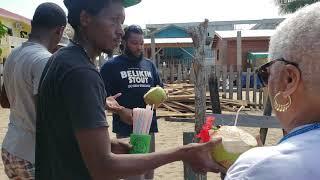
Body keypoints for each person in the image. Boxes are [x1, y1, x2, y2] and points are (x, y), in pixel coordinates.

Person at [35, 0, 224, 179]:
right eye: (114, 20)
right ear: (85, 18)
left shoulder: (61, 59)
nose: (120, 31)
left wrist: (116, 145)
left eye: (122, 22)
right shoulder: (81, 72)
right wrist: (183, 152)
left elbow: (67, 137)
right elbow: (104, 168)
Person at [225, 2, 320, 180]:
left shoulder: (260, 169)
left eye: (265, 73)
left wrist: (256, 164)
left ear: (288, 80)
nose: (265, 84)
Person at [0, 3, 66, 179]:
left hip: (10, 150)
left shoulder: (13, 55)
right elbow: (47, 116)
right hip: (34, 155)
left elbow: (4, 101)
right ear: (60, 31)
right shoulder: (45, 60)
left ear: (32, 23)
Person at [100, 25, 160, 180]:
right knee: (132, 175)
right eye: (134, 43)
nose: (139, 47)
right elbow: (101, 96)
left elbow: (159, 89)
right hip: (126, 127)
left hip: (149, 127)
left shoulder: (149, 65)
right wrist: (120, 110)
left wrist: (159, 99)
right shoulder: (111, 66)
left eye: (141, 43)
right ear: (124, 42)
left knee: (148, 172)